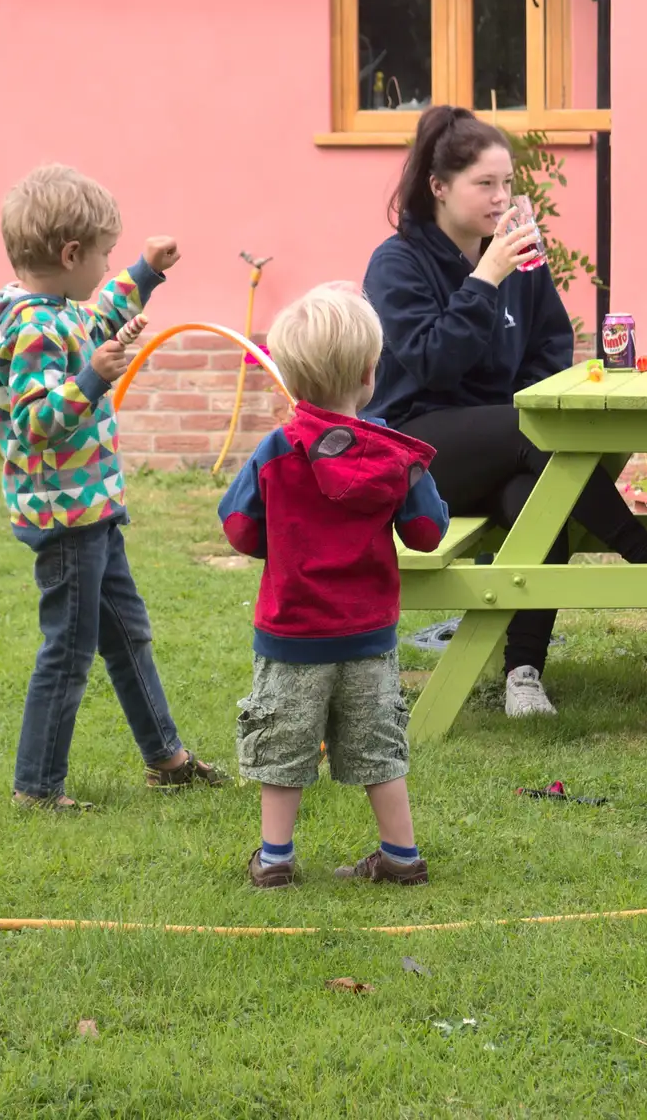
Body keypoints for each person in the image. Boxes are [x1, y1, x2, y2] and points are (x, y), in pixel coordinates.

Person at [363, 105, 647, 718]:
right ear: (439, 188)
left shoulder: (518, 258)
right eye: (485, 184)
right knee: (528, 438)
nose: (501, 197)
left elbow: (550, 346)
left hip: (507, 442)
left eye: (508, 183)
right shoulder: (398, 263)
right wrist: (483, 280)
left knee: (537, 496)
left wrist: (529, 403)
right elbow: (431, 361)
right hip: (415, 450)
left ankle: (524, 673)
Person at [0, 164, 224, 809]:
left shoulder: (54, 309)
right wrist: (93, 379)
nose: (106, 267)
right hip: (65, 519)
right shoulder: (32, 329)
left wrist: (145, 272)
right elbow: (35, 422)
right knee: (67, 653)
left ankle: (167, 758)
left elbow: (100, 315)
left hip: (90, 510)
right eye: (104, 254)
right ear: (70, 254)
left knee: (127, 635)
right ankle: (37, 789)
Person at [219, 284, 450, 890]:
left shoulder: (274, 451)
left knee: (283, 747)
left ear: (291, 379)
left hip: (291, 635)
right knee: (379, 746)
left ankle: (274, 859)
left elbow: (239, 530)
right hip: (369, 637)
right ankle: (401, 856)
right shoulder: (394, 457)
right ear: (371, 375)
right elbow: (427, 533)